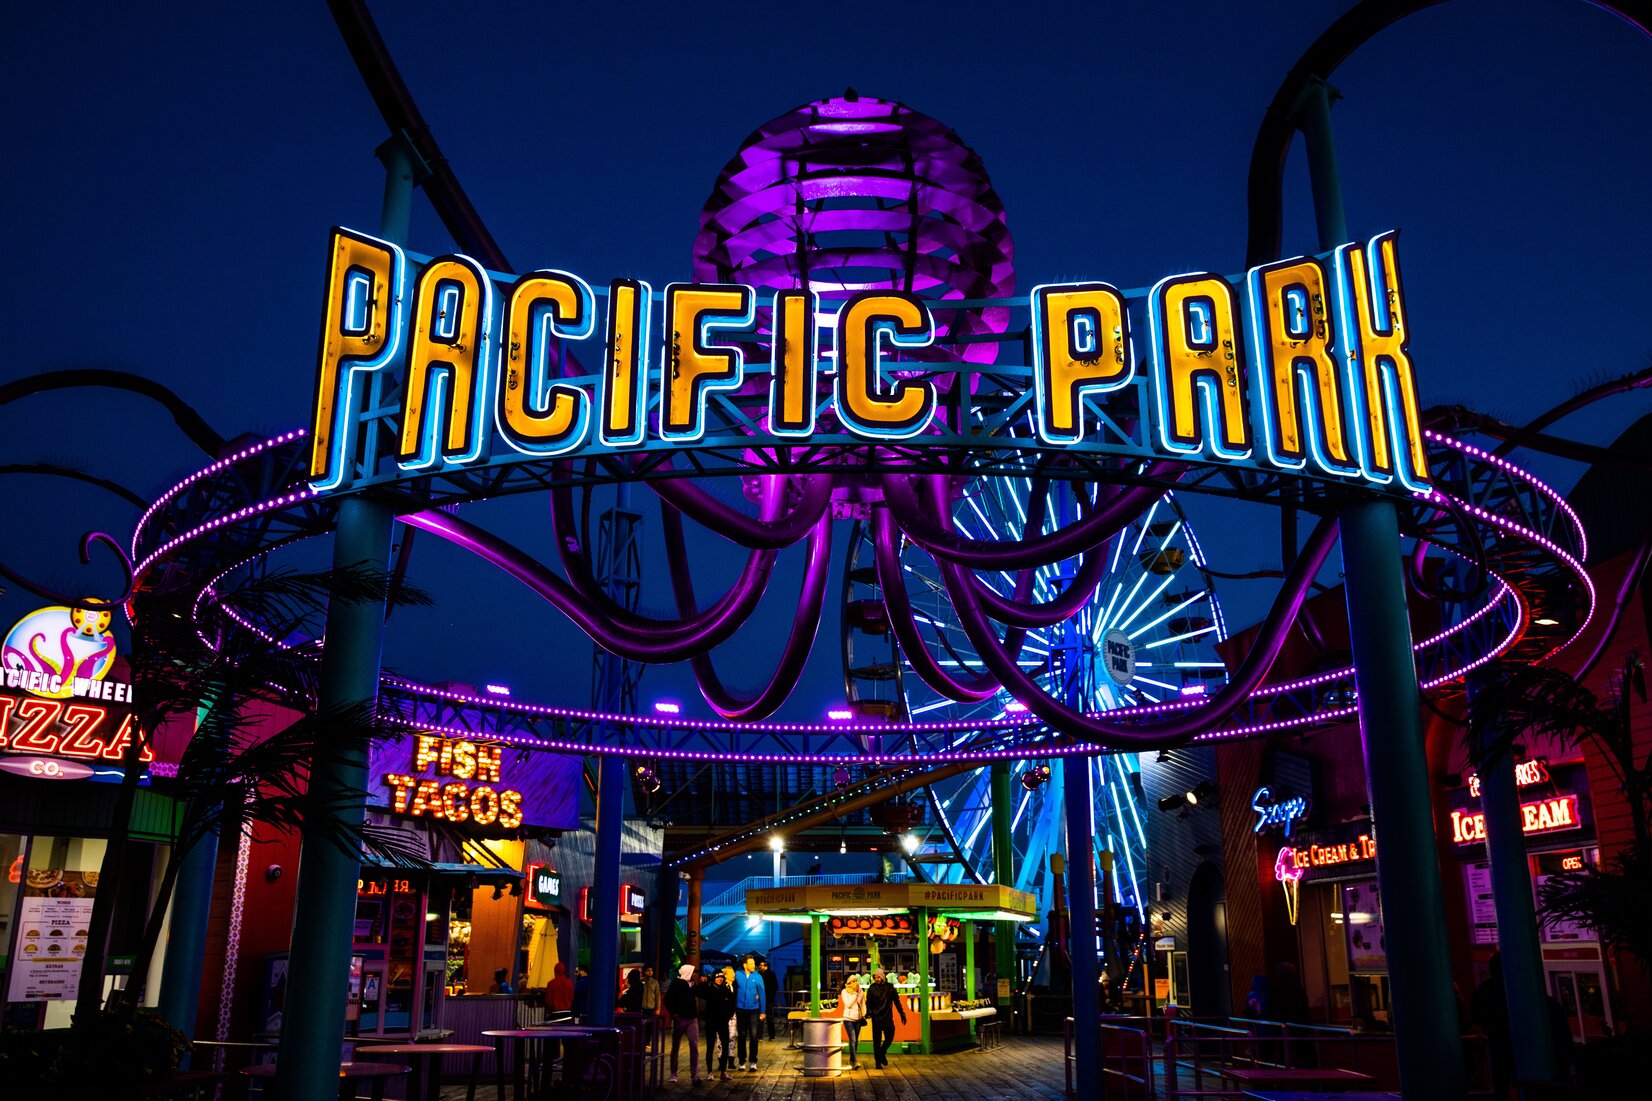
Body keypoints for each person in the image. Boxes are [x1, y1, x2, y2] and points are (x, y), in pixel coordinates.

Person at [1471, 953, 1514, 1101]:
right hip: (1518, 1040)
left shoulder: (1482, 990)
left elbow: (1474, 1016)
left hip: (1494, 1040)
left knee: (1499, 1081)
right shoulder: (1516, 987)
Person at [664, 964, 702, 1086]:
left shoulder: (693, 985)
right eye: (693, 972)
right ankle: (673, 1073)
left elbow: (702, 994)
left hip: (692, 1019)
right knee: (675, 1046)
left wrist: (700, 984)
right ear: (687, 972)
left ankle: (694, 1075)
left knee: (694, 1047)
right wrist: (674, 1013)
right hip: (680, 1019)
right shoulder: (676, 983)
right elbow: (667, 1000)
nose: (695, 974)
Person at [866, 968, 906, 1069]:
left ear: (882, 977)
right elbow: (868, 1002)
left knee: (890, 1036)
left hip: (887, 1017)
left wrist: (902, 1013)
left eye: (878, 977)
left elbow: (897, 1001)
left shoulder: (890, 988)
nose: (877, 979)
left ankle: (882, 1052)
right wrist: (869, 1012)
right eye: (875, 977)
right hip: (876, 1017)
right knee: (876, 1040)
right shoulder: (872, 988)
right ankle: (878, 1062)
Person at [733, 955, 767, 1070]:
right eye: (751, 963)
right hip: (740, 1009)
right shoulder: (737, 975)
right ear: (745, 965)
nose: (754, 965)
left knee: (753, 1035)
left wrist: (763, 1011)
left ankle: (753, 1061)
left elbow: (762, 994)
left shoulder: (757, 976)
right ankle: (742, 1062)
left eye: (754, 963)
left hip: (754, 1009)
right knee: (741, 1036)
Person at [702, 967, 735, 1080]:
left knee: (725, 1046)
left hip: (722, 1022)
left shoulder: (726, 990)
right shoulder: (709, 989)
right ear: (714, 978)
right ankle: (709, 1072)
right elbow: (700, 993)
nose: (720, 979)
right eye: (718, 977)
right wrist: (705, 982)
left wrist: (727, 1017)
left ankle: (723, 1071)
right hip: (711, 1022)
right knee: (710, 1047)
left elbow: (732, 1005)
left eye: (721, 977)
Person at [838, 974, 866, 1070]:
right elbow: (848, 1004)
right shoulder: (844, 991)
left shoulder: (860, 990)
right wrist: (855, 994)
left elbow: (862, 1003)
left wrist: (864, 1013)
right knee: (853, 1040)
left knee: (855, 1040)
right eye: (853, 981)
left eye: (856, 980)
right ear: (848, 982)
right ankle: (854, 1061)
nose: (855, 983)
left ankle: (852, 1059)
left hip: (858, 1018)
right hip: (848, 1019)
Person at [758, 960, 781, 1039]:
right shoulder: (759, 974)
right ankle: (760, 1035)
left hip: (768, 999)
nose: (760, 966)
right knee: (761, 1017)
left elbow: (775, 986)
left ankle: (771, 1035)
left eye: (761, 965)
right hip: (763, 999)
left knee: (769, 1017)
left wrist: (770, 995)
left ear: (766, 966)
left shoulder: (771, 974)